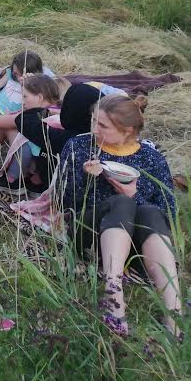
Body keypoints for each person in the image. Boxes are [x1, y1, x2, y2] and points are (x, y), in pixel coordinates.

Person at [57, 94, 180, 336]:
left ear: (127, 131)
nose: (93, 129)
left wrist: (135, 195)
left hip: (136, 247)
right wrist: (84, 178)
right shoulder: (79, 146)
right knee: (122, 203)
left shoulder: (151, 158)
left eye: (102, 125)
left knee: (150, 211)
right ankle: (113, 296)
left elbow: (169, 214)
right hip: (89, 234)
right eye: (93, 121)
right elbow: (64, 203)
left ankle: (174, 312)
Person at [0, 74, 63, 194]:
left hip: (39, 167)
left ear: (39, 97)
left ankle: (13, 178)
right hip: (53, 170)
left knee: (9, 127)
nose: (22, 101)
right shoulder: (59, 111)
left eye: (25, 96)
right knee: (15, 125)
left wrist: (7, 117)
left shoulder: (35, 114)